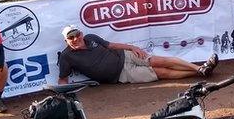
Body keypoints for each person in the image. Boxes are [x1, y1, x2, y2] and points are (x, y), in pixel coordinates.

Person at [57, 26, 218, 85]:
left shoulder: (90, 38)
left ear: (81, 33)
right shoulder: (66, 56)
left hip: (125, 56)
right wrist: (62, 95)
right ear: (66, 41)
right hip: (122, 75)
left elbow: (111, 45)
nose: (75, 39)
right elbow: (63, 79)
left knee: (160, 61)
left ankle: (199, 68)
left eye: (76, 35)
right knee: (161, 73)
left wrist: (132, 47)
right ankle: (200, 72)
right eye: (70, 38)